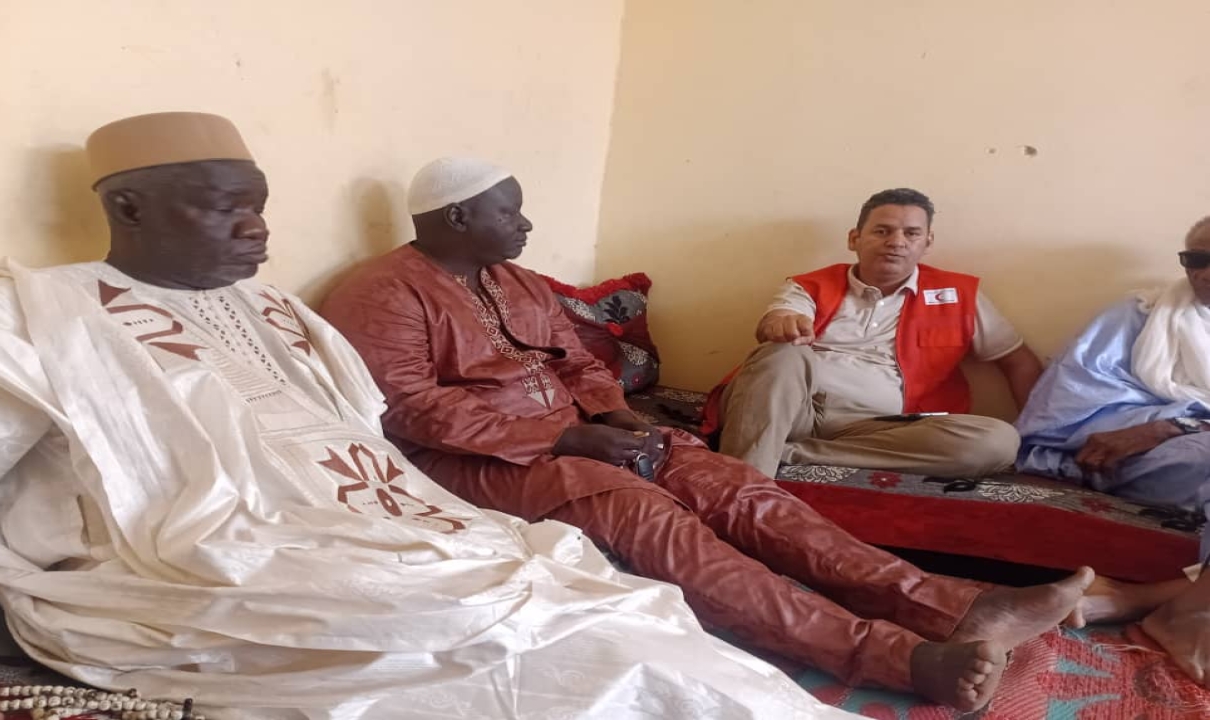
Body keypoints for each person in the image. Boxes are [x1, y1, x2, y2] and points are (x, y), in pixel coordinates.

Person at [0, 113, 866, 720]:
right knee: (528, 640)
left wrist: (603, 425)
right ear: (129, 206)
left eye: (260, 208)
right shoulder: (21, 319)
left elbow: (362, 437)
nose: (259, 230)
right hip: (217, 571)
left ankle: (858, 665)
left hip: (392, 532)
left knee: (598, 601)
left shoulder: (278, 311)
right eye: (225, 210)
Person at [322, 157, 1096, 711]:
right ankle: (899, 657)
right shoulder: (382, 293)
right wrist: (570, 444)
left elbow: (580, 365)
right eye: (509, 212)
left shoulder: (516, 281)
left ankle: (951, 607)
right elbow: (408, 409)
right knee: (653, 517)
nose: (525, 224)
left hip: (575, 435)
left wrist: (622, 420)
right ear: (457, 218)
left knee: (735, 485)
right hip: (477, 460)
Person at [706, 188, 1044, 478]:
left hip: (889, 429)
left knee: (998, 442)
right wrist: (781, 323)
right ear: (854, 239)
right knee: (782, 351)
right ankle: (741, 486)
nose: (896, 242)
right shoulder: (810, 285)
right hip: (799, 412)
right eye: (882, 231)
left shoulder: (959, 294)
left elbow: (1019, 362)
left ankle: (789, 453)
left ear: (927, 242)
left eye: (911, 233)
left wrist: (1039, 437)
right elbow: (780, 317)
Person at [1017, 216, 1210, 686]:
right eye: (1196, 258)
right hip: (1146, 452)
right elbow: (1062, 412)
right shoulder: (1137, 315)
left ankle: (1139, 601)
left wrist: (1177, 422)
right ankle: (1180, 619)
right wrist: (1159, 427)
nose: (1205, 272)